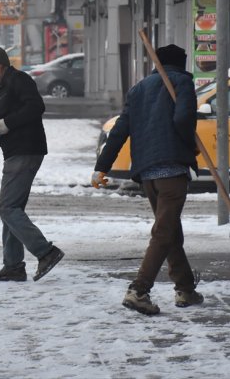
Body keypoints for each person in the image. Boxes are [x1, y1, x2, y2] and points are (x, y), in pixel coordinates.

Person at [92, 44, 203, 315]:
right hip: (172, 170)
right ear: (182, 63)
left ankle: (185, 288)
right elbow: (183, 118)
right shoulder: (182, 83)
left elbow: (119, 131)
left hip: (147, 174)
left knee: (169, 231)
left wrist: (101, 166)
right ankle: (139, 290)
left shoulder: (139, 89)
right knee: (164, 233)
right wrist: (191, 146)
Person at [0, 47, 64, 282]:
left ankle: (46, 252)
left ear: (4, 64)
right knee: (12, 208)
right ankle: (13, 265)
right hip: (13, 153)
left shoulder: (19, 80)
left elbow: (36, 107)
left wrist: (9, 123)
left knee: (6, 207)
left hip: (27, 150)